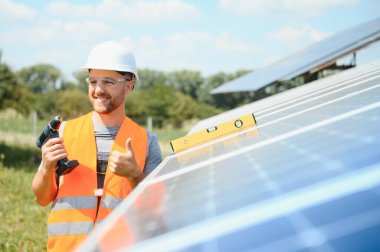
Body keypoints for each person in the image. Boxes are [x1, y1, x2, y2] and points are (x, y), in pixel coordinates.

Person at [32, 41, 162, 251]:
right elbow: (41, 197)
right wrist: (47, 167)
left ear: (129, 86)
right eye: (93, 82)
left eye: (108, 82)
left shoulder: (147, 142)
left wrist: (135, 175)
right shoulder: (64, 132)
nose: (98, 90)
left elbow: (156, 209)